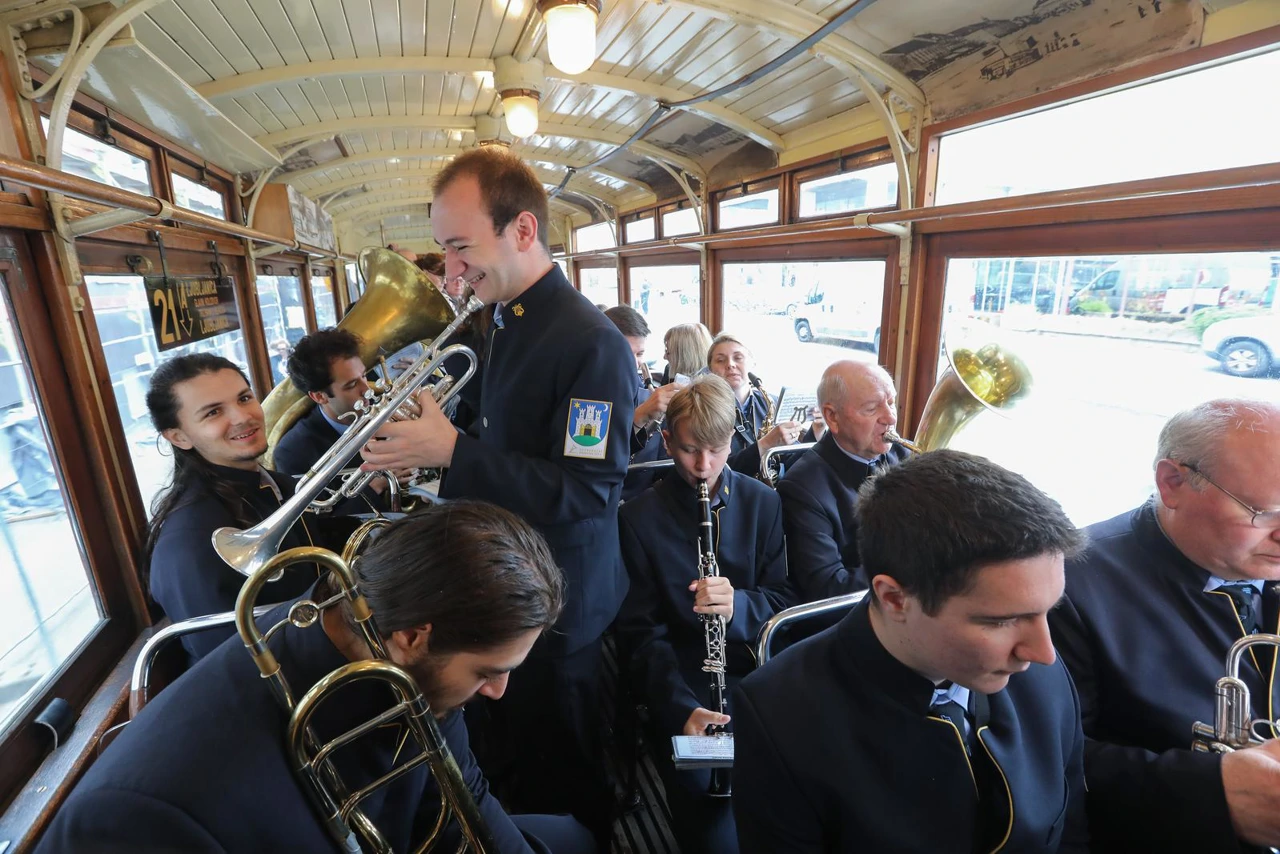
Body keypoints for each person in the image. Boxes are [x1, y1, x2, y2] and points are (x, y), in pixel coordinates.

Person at [37, 502, 596, 854]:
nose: (499, 692)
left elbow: (460, 792)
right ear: (413, 637)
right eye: (488, 673)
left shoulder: (382, 644)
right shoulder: (143, 816)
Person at [360, 147, 636, 839]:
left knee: (564, 769)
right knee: (511, 759)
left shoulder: (590, 343)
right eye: (445, 252)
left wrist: (450, 452)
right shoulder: (506, 319)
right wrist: (422, 444)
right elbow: (496, 438)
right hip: (506, 590)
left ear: (521, 231)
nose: (450, 272)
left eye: (460, 249)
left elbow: (585, 495)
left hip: (559, 610)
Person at [733, 450, 1089, 853]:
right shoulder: (779, 716)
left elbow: (1071, 829)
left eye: (1049, 610)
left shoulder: (1044, 671)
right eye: (1001, 621)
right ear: (895, 598)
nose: (1044, 652)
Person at [1048, 399, 1280, 853]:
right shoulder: (1065, 587)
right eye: (1265, 513)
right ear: (1172, 483)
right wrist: (1212, 792)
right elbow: (1044, 759)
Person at [617, 374, 794, 853]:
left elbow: (782, 602)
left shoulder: (764, 503)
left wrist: (739, 606)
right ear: (668, 440)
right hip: (685, 682)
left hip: (757, 678)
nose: (703, 466)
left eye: (716, 450)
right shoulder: (638, 518)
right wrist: (681, 709)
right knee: (712, 835)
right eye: (691, 450)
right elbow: (641, 635)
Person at [143, 353, 339, 663]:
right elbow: (230, 665)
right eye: (213, 412)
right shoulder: (188, 543)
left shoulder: (277, 484)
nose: (242, 417)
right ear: (178, 437)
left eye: (244, 398)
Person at [776, 360, 910, 602]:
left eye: (891, 403)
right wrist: (912, 563)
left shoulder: (902, 455)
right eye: (872, 409)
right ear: (832, 417)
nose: (890, 418)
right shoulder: (801, 488)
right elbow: (829, 589)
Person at [604, 305, 676, 501]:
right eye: (627, 353)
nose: (635, 364)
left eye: (640, 354)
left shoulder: (650, 399)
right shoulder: (579, 394)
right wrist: (638, 418)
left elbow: (666, 468)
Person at [706, 333, 802, 477]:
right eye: (720, 360)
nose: (730, 364)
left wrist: (817, 432)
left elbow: (792, 460)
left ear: (752, 362)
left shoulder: (772, 402)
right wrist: (765, 445)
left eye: (738, 358)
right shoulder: (703, 410)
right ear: (710, 369)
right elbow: (713, 471)